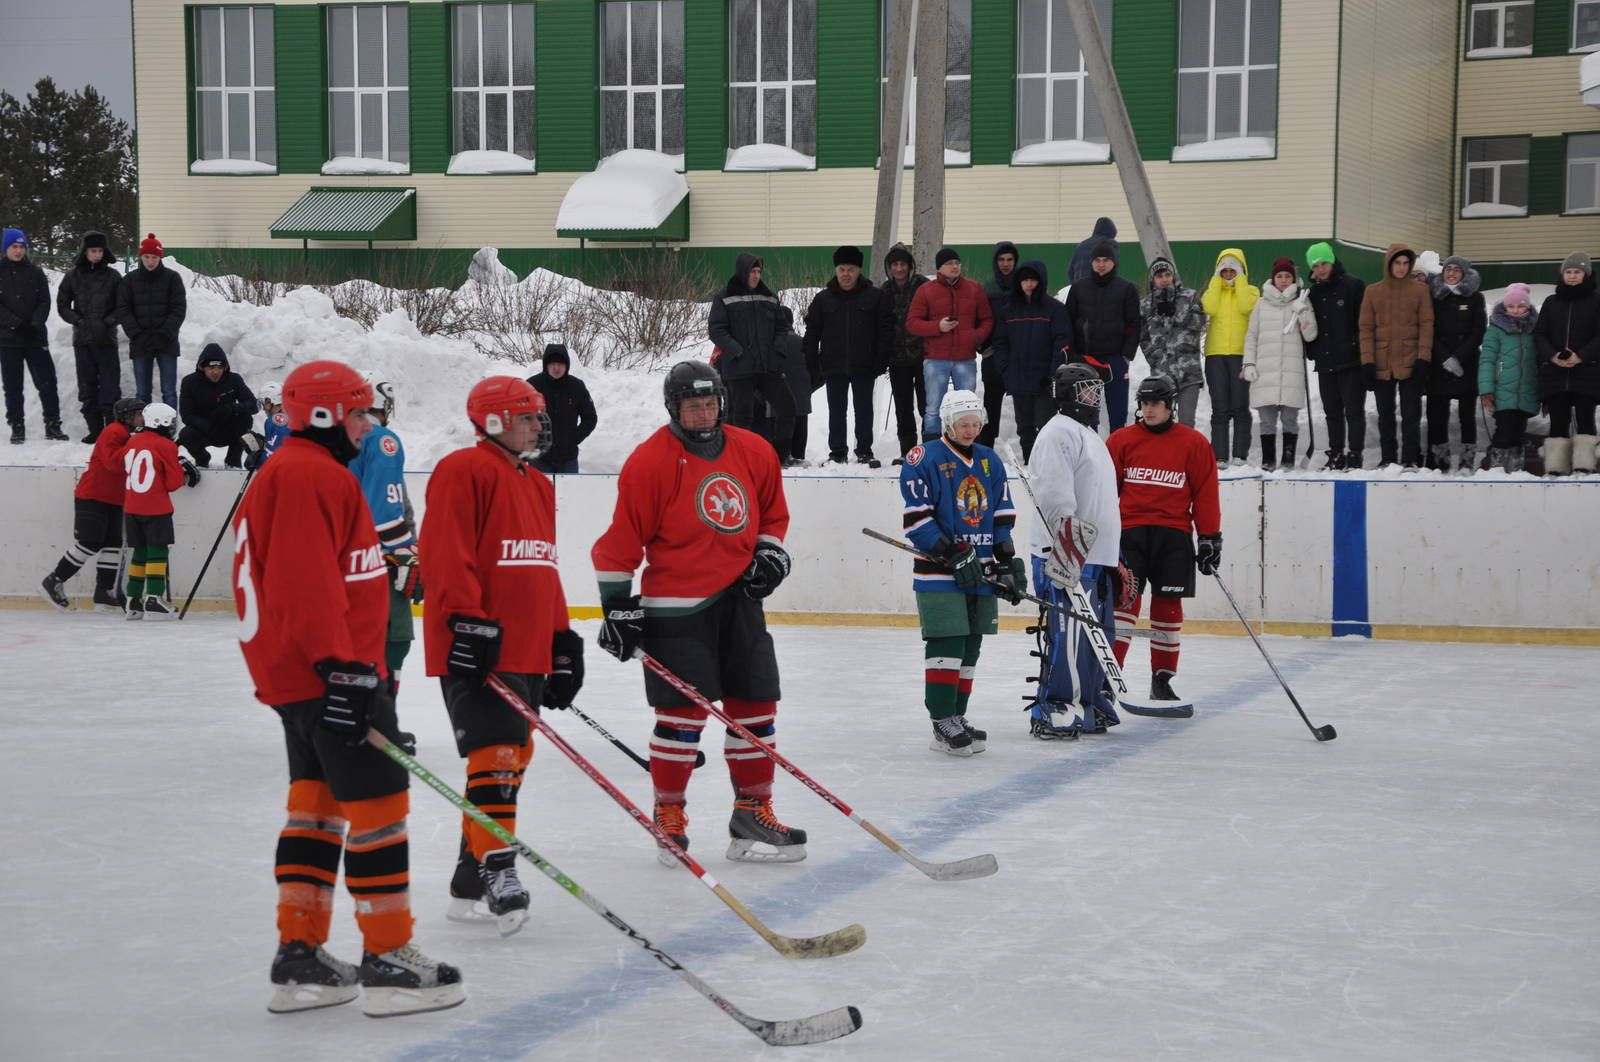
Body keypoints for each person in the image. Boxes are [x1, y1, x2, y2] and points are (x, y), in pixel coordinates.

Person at [231, 359, 464, 1017]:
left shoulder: (298, 470)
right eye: (358, 412)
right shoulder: (308, 474)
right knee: (379, 803)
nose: (367, 425)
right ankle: (388, 958)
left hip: (301, 675)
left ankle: (299, 956)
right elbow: (303, 583)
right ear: (327, 416)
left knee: (318, 805)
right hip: (327, 673)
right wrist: (344, 668)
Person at [591, 361, 804, 863]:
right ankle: (669, 813)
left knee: (756, 709)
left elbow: (773, 511)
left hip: (741, 603)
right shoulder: (650, 461)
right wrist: (618, 607)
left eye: (710, 403)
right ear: (674, 408)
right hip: (676, 608)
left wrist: (771, 551)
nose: (703, 413)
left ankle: (753, 811)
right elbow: (618, 544)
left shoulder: (753, 450)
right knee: (681, 718)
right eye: (692, 405)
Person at [420, 375, 580, 932]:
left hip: (529, 645)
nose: (539, 424)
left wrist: (561, 640)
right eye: (527, 416)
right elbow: (444, 552)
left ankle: (468, 876)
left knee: (515, 758)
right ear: (493, 422)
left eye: (538, 415)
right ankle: (498, 867)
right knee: (495, 756)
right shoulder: (462, 470)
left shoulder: (537, 484)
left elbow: (542, 565)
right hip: (477, 646)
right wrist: (467, 622)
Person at [897, 388, 1023, 756]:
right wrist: (952, 552)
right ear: (947, 424)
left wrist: (1004, 562)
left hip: (980, 570)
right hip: (939, 571)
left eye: (974, 423)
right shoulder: (923, 458)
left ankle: (958, 714)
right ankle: (941, 720)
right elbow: (917, 520)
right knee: (947, 641)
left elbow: (1001, 517)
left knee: (971, 644)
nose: (969, 430)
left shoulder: (989, 461)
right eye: (962, 424)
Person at [1106, 374, 1221, 709]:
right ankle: (1110, 680)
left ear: (1170, 404)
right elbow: (1105, 493)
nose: (1149, 409)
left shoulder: (1194, 442)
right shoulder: (1121, 440)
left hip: (1174, 537)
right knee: (1124, 606)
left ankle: (1162, 680)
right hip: (1130, 536)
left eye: (1156, 403)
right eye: (1144, 403)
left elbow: (1205, 494)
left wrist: (1210, 538)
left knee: (1168, 610)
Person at [1024, 363, 1121, 740]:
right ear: (1066, 393)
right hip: (1066, 553)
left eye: (1096, 390)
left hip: (1096, 554)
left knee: (1096, 635)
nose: (1094, 396)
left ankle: (1089, 700)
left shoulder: (1088, 435)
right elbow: (1053, 497)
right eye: (1086, 389)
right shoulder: (1058, 433)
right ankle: (1055, 705)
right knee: (1069, 636)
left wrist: (1115, 555)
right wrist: (1064, 551)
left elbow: (1101, 500)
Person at [348, 375, 419, 696]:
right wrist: (405, 551)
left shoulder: (343, 437)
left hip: (345, 557)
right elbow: (384, 509)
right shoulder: (382, 439)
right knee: (394, 637)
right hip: (377, 558)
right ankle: (380, 719)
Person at [39, 397, 144, 612]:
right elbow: (114, 463)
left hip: (114, 499)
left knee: (113, 543)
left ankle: (104, 590)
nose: (143, 417)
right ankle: (53, 580)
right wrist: (134, 444)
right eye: (139, 413)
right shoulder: (115, 431)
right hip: (93, 495)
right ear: (128, 416)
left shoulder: (128, 434)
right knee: (89, 542)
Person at [803, 245, 892, 466]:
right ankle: (838, 452)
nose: (846, 274)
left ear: (858, 270)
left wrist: (881, 360)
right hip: (833, 366)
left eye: (850, 269)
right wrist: (812, 361)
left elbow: (885, 331)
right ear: (836, 270)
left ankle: (864, 450)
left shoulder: (874, 297)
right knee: (836, 411)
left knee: (864, 410)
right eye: (842, 269)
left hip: (865, 365)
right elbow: (812, 332)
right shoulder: (823, 299)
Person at [708, 252, 796, 464]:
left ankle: (779, 457)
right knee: (742, 416)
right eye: (752, 271)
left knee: (787, 407)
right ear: (742, 272)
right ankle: (740, 458)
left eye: (758, 272)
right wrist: (737, 351)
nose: (756, 276)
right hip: (740, 369)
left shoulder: (769, 296)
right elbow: (716, 330)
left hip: (768, 368)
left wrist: (777, 350)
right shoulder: (724, 297)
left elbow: (782, 328)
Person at [120, 401, 198, 620]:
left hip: (131, 506)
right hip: (155, 507)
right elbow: (173, 483)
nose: (172, 426)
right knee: (158, 551)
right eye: (171, 422)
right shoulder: (166, 446)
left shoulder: (132, 442)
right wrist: (183, 472)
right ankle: (154, 599)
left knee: (140, 552)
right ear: (162, 422)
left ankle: (133, 600)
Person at [1359, 243, 1434, 468]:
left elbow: (1426, 325)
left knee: (1411, 415)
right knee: (1386, 415)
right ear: (1389, 264)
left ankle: (1410, 458)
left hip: (1411, 361)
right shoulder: (1373, 291)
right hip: (1382, 363)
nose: (1401, 268)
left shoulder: (1420, 291)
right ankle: (1388, 458)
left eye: (1405, 263)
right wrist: (1368, 362)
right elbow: (1365, 329)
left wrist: (1423, 358)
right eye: (1397, 263)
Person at [906, 247, 993, 441]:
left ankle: (969, 447)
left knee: (968, 405)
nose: (954, 266)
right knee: (933, 407)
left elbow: (987, 319)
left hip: (965, 359)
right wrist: (938, 326)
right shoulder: (926, 290)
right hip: (936, 359)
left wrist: (975, 337)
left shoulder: (974, 288)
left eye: (957, 263)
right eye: (949, 263)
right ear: (939, 268)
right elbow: (912, 323)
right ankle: (932, 449)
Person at [1242, 257, 1317, 472]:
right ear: (1273, 279)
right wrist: (1248, 363)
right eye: (1279, 276)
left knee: (1289, 419)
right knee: (1266, 420)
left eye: (1288, 276)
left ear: (1294, 278)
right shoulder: (1261, 303)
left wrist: (1302, 311)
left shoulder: (1302, 301)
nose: (1284, 280)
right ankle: (1268, 461)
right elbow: (1252, 336)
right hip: (1265, 371)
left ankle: (1287, 461)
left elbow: (1310, 335)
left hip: (1291, 372)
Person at [993, 259, 1072, 461]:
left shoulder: (1054, 309)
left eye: (1033, 280)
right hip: (1018, 379)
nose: (1028, 284)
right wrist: (1005, 368)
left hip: (1044, 380)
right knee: (1025, 428)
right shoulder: (1009, 310)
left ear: (1041, 281)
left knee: (1046, 425)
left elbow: (1062, 341)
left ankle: (1047, 465)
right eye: (1024, 280)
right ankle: (1029, 463)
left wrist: (1054, 371)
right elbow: (1000, 342)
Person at [1532, 252, 1600, 476]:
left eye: (1577, 272)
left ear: (1586, 274)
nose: (1572, 276)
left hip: (1587, 372)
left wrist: (1580, 356)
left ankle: (1584, 465)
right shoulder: (1552, 302)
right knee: (1558, 420)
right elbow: (1540, 334)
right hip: (1555, 374)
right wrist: (1552, 356)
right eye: (1568, 272)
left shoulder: (1596, 301)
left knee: (1585, 419)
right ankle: (1556, 467)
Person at [54, 231, 124, 443]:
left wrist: (108, 322)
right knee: (87, 386)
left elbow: (123, 306)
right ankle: (95, 431)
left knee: (110, 387)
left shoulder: (113, 276)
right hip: (82, 341)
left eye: (100, 250)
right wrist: (77, 320)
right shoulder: (72, 276)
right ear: (85, 251)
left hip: (106, 340)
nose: (96, 254)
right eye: (93, 250)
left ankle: (111, 431)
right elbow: (62, 304)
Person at [1303, 242, 1367, 470]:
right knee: (1332, 411)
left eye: (1324, 263)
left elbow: (1364, 323)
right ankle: (1336, 452)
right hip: (1325, 362)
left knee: (1353, 411)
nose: (1321, 269)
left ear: (1332, 261)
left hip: (1351, 361)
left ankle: (1355, 453)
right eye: (1316, 265)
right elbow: (1308, 326)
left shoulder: (1353, 286)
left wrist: (1359, 350)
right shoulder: (1312, 293)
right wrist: (1312, 350)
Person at [1063, 240, 1140, 428]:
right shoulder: (1079, 288)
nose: (1101, 264)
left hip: (1115, 359)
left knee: (1118, 412)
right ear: (1091, 262)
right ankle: (1090, 453)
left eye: (1106, 260)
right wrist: (1071, 353)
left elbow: (1134, 325)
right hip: (1086, 359)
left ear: (1113, 262)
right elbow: (1068, 322)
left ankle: (1117, 453)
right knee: (1086, 413)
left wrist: (1126, 356)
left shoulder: (1126, 288)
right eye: (1097, 260)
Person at [0, 227, 65, 443]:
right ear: (6, 248)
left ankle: (53, 424)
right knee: (13, 386)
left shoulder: (36, 273)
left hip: (36, 338)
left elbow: (45, 301)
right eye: (14, 246)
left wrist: (36, 322)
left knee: (47, 382)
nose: (18, 251)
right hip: (9, 341)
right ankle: (17, 426)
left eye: (21, 247)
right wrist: (16, 324)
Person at [1426, 256, 1487, 473]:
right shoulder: (1432, 296)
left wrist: (1458, 357)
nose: (1451, 273)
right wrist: (1444, 358)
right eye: (1448, 269)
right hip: (1438, 365)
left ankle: (1467, 461)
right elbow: (1428, 329)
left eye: (1456, 270)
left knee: (1467, 417)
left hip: (1466, 364)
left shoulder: (1475, 298)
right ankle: (1438, 461)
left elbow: (1478, 330)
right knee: (1437, 417)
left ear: (1464, 274)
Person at [1200, 247, 1260, 466]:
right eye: (1224, 270)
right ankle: (1220, 455)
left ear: (1241, 271)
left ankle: (1240, 455)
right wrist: (1215, 281)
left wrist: (1241, 281)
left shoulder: (1251, 291)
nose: (1228, 274)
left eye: (1233, 270)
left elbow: (1246, 307)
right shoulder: (1213, 291)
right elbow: (1210, 307)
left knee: (1240, 406)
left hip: (1240, 355)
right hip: (1215, 355)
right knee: (1220, 407)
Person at [118, 233, 186, 410]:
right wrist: (136, 334)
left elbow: (178, 309)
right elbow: (124, 310)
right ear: (141, 257)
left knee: (169, 391)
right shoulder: (129, 280)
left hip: (167, 342)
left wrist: (165, 334)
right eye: (147, 257)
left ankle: (169, 428)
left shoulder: (173, 279)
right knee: (142, 392)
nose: (150, 261)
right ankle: (144, 430)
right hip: (140, 342)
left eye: (154, 257)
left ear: (160, 257)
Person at [1478, 283, 1540, 473]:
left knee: (1518, 432)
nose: (1515, 310)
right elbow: (1487, 360)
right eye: (1511, 306)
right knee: (1504, 430)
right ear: (1505, 307)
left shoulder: (1534, 329)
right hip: (1502, 390)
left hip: (1526, 390)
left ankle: (1516, 467)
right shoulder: (1496, 329)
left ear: (1527, 307)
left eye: (1520, 306)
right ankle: (1496, 467)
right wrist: (1486, 389)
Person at [1138, 257, 1207, 427]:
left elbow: (1199, 324)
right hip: (1161, 376)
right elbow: (1143, 337)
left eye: (1167, 274)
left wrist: (1174, 311)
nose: (1164, 279)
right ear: (1153, 279)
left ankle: (1185, 454)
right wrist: (1154, 357)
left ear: (1173, 276)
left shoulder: (1190, 296)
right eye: (1159, 276)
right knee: (1162, 422)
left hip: (1188, 372)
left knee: (1186, 422)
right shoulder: (1145, 305)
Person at [882, 243, 928, 463]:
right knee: (903, 407)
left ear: (910, 266)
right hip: (897, 359)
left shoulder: (923, 286)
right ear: (889, 268)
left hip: (924, 357)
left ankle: (930, 449)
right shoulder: (884, 290)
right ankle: (907, 450)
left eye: (903, 264)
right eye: (895, 265)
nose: (899, 269)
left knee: (927, 406)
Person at [178, 343, 259, 467]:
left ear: (225, 368)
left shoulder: (234, 379)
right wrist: (207, 425)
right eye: (211, 368)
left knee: (246, 418)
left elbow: (253, 405)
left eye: (220, 367)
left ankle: (233, 461)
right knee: (185, 434)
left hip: (228, 429)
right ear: (202, 367)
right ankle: (202, 459)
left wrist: (233, 408)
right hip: (205, 429)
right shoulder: (189, 382)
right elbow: (186, 415)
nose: (216, 372)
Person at [525, 343, 597, 475]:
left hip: (568, 459)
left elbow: (590, 418)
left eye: (560, 364)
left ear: (567, 365)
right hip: (539, 458)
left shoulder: (577, 387)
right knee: (539, 495)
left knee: (568, 495)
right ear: (546, 365)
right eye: (552, 364)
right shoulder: (532, 385)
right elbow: (520, 416)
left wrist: (573, 439)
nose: (556, 368)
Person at [977, 240, 1020, 447]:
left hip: (1018, 356)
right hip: (993, 355)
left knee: (1023, 406)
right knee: (991, 406)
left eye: (1010, 259)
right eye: (1001, 259)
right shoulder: (986, 287)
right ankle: (986, 448)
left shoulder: (1023, 285)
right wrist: (983, 346)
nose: (1005, 263)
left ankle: (1029, 452)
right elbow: (977, 318)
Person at [774, 306, 812, 463]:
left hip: (776, 405)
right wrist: (808, 388)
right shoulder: (803, 343)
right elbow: (819, 371)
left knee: (779, 454)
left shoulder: (770, 345)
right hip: (802, 402)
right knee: (798, 454)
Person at [245, 381, 291, 470]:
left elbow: (272, 460)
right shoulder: (295, 416)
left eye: (264, 403)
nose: (264, 409)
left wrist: (256, 458)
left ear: (271, 401)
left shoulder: (276, 420)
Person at [1068, 217, 1118, 286]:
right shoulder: (1111, 244)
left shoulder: (1081, 245)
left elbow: (1070, 272)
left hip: (1079, 287)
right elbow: (1113, 269)